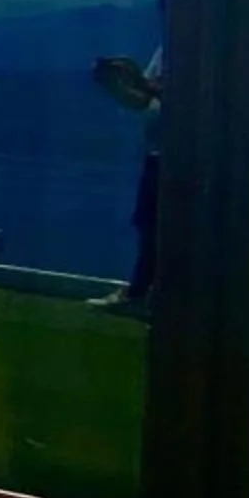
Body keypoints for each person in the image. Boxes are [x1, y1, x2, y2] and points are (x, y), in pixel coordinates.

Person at [90, 48, 162, 316]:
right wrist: (113, 86)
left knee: (167, 231)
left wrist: (137, 78)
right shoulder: (165, 49)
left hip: (187, 158)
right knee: (148, 228)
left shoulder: (201, 47)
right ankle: (140, 293)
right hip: (157, 155)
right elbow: (144, 101)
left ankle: (150, 295)